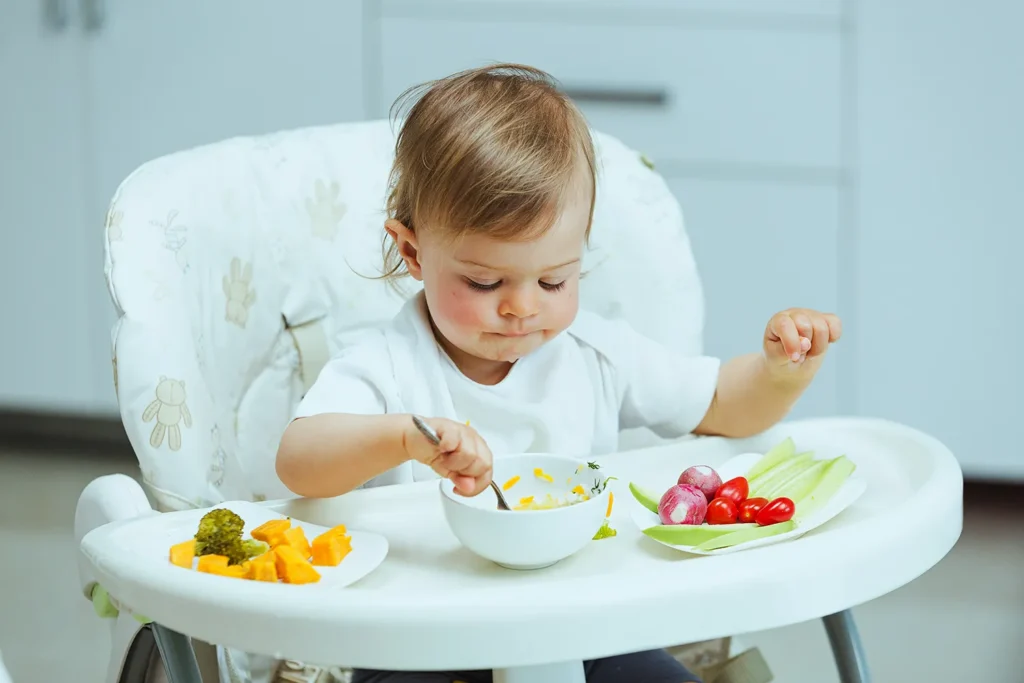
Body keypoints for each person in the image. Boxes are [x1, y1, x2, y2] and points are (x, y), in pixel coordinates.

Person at [276, 63, 841, 683]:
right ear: (412, 251)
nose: (523, 307)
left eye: (553, 281)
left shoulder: (594, 355)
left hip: (586, 628)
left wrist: (780, 372)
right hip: (420, 640)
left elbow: (723, 405)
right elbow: (299, 462)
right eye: (484, 282)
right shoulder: (385, 366)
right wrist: (404, 438)